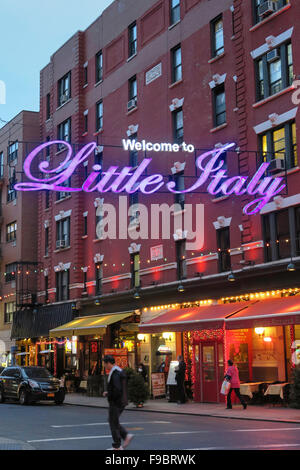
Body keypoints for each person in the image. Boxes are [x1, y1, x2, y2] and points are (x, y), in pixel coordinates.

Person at [103, 355, 133, 450]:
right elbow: (118, 388)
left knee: (113, 422)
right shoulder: (118, 371)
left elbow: (117, 389)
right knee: (113, 421)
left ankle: (118, 445)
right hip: (120, 401)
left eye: (105, 364)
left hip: (116, 402)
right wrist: (109, 392)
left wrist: (109, 395)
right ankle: (125, 436)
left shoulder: (115, 373)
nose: (104, 366)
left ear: (108, 363)